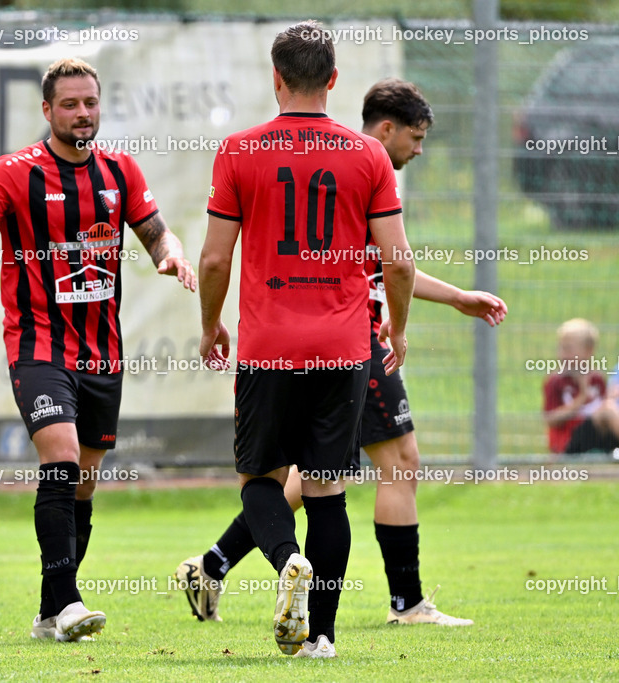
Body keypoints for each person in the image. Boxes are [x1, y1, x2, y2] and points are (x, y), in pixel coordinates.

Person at [178, 78, 509, 635]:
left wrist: (455, 298)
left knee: (302, 478)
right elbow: (393, 263)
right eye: (417, 137)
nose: (419, 149)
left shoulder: (307, 165)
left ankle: (219, 563)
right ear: (386, 128)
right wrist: (407, 326)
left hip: (295, 346)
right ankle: (402, 601)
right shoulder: (361, 168)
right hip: (355, 345)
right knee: (386, 465)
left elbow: (385, 266)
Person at [0, 57, 196, 642]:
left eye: (91, 103)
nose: (83, 114)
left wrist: (170, 254)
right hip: (38, 346)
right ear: (48, 110)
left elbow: (156, 230)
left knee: (82, 481)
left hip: (102, 354)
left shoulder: (119, 170)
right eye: (71, 104)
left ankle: (49, 612)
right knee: (58, 459)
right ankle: (72, 602)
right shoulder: (13, 172)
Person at [196, 22, 416, 658]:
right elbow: (397, 261)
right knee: (326, 489)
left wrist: (211, 324)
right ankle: (321, 637)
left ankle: (287, 561)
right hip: (344, 348)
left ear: (276, 78)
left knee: (260, 481)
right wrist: (395, 328)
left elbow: (213, 262)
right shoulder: (369, 155)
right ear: (334, 80)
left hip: (269, 347)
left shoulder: (239, 151)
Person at [543, 318, 619, 456]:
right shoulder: (556, 381)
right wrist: (582, 397)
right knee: (608, 409)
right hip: (568, 441)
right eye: (561, 347)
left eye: (568, 349)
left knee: (609, 408)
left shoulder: (596, 379)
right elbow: (551, 420)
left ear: (588, 351)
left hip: (594, 437)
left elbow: (600, 411)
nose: (562, 354)